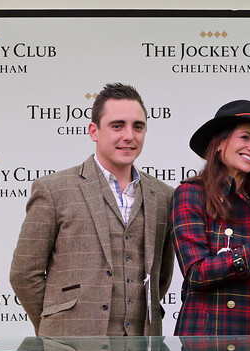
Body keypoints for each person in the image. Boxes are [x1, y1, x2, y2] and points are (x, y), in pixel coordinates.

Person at [10, 83, 174, 337]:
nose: (129, 135)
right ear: (94, 131)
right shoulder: (54, 189)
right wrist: (55, 324)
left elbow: (161, 277)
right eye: (117, 125)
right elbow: (24, 273)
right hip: (69, 347)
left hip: (143, 347)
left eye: (138, 126)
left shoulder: (164, 196)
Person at [170, 100, 250, 335]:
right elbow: (196, 273)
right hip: (208, 341)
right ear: (218, 143)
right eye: (245, 138)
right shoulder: (190, 194)